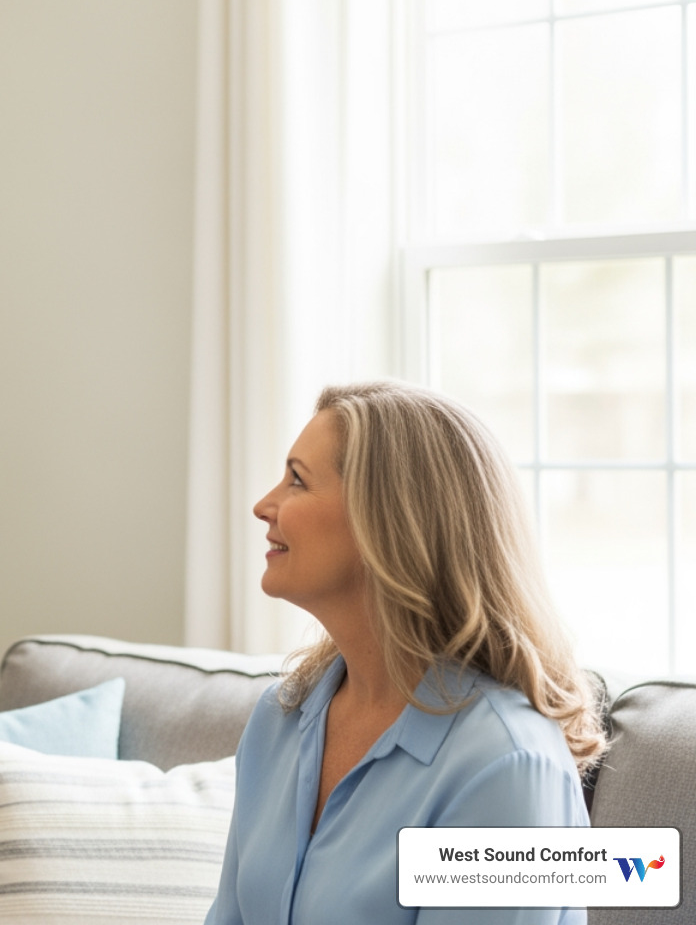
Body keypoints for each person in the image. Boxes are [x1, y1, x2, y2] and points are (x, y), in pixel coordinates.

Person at [205, 382, 605, 925]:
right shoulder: (280, 718)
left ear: (385, 522)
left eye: (297, 480)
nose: (263, 505)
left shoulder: (506, 764)